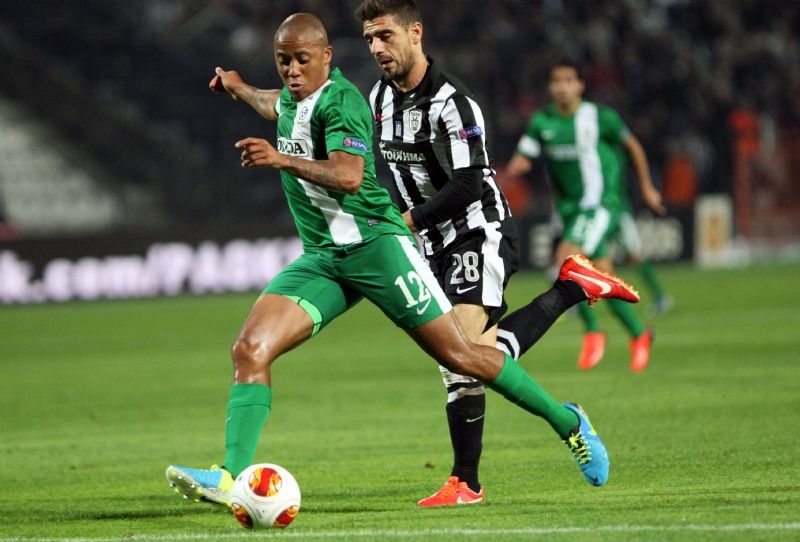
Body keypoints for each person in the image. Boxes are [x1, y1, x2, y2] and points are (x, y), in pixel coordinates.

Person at [165, 13, 633, 509]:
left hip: (380, 246)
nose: (292, 71)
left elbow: (349, 176)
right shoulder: (312, 98)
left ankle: (568, 423)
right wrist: (238, 88)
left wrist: (281, 159)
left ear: (326, 57)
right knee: (249, 350)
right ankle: (229, 477)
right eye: (284, 61)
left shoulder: (347, 102)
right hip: (323, 258)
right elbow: (275, 104)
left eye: (302, 60)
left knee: (462, 358)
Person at [355, 0, 636, 507]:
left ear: (415, 32)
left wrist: (408, 220)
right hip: (430, 243)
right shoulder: (378, 97)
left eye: (385, 35)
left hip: (476, 229)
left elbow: (468, 182)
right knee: (474, 356)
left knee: (459, 357)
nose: (377, 48)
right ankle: (571, 290)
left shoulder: (453, 103)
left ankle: (469, 480)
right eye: (370, 39)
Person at [507, 60, 664, 372]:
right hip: (568, 210)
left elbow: (633, 146)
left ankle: (593, 331)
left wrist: (647, 187)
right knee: (601, 274)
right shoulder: (542, 121)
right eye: (557, 81)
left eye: (569, 80)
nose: (563, 87)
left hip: (600, 203)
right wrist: (516, 166)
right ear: (550, 87)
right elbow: (525, 154)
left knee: (566, 261)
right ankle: (639, 333)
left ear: (580, 85)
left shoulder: (601, 117)